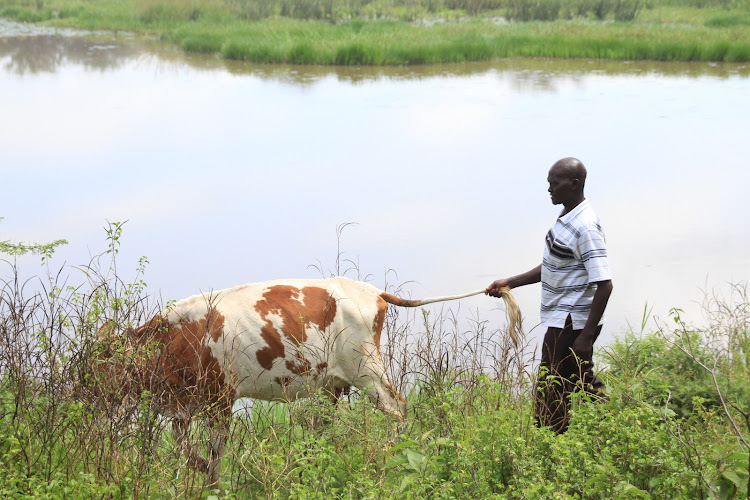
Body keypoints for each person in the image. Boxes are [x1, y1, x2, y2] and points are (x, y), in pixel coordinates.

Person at [486, 157, 613, 433]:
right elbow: (553, 265)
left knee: (550, 388)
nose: (549, 189)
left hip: (570, 322)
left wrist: (585, 336)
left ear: (574, 184)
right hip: (564, 320)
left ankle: (550, 441)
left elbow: (605, 285)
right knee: (580, 381)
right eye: (548, 183)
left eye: (554, 183)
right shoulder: (568, 216)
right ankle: (612, 432)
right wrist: (510, 282)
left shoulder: (586, 226)